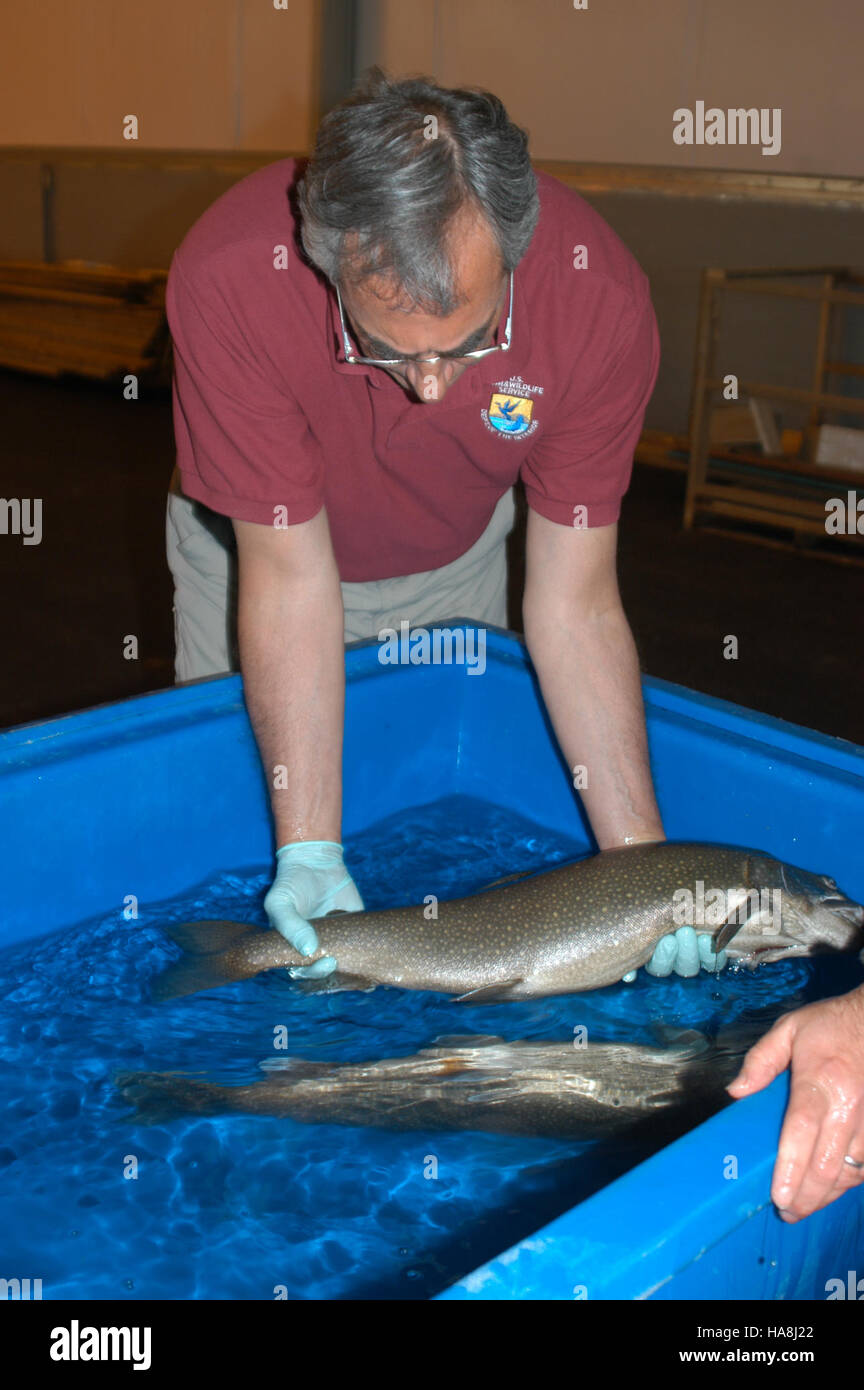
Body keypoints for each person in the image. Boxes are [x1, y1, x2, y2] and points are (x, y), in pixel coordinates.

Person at [164, 68, 863, 1222]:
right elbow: (289, 576)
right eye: (385, 347)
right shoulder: (232, 273)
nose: (433, 390)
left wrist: (658, 877)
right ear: (325, 254)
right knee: (248, 818)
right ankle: (232, 1124)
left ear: (522, 258)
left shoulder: (600, 300)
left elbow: (576, 599)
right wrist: (309, 847)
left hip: (456, 542)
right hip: (258, 547)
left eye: (471, 342)